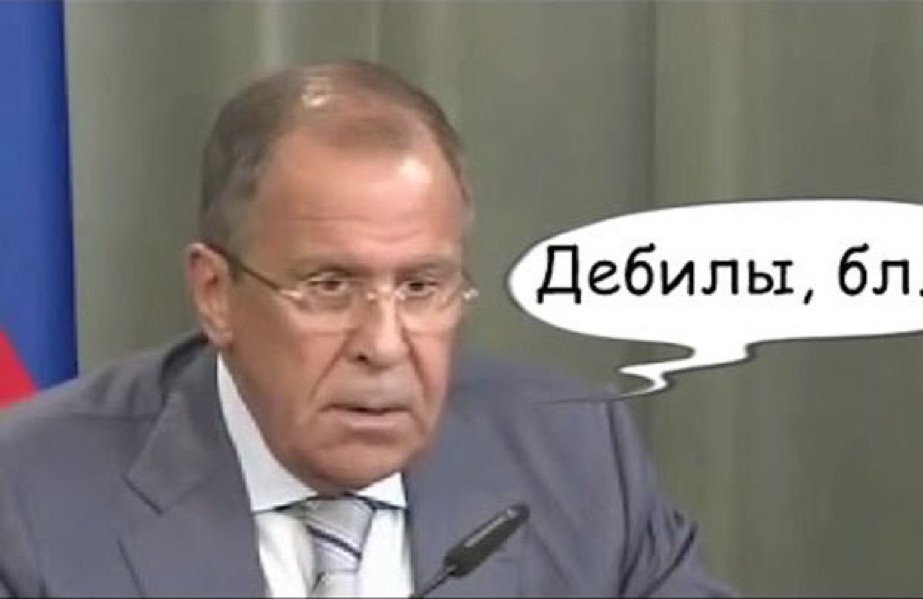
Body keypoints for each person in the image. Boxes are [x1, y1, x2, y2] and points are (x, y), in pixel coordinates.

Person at [0, 60, 730, 597]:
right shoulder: (28, 495)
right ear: (216, 294)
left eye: (421, 287)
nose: (383, 345)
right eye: (329, 287)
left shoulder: (575, 455)